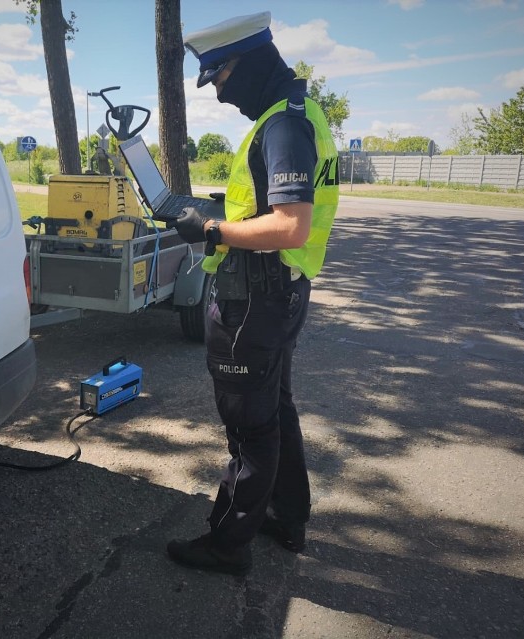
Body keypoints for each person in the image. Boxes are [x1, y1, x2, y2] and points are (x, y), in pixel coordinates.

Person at [166, 11, 339, 575]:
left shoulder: (284, 124)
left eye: (217, 77)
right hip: (281, 291)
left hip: (257, 301)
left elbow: (291, 225)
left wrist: (212, 229)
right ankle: (286, 515)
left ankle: (226, 544)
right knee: (276, 411)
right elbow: (272, 209)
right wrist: (225, 212)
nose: (217, 94)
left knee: (249, 427)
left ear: (248, 62)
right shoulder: (292, 112)